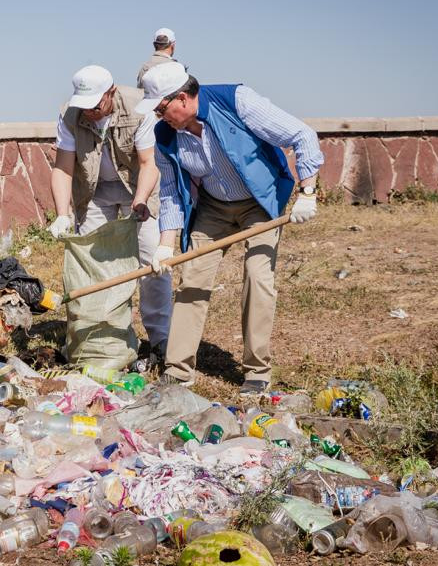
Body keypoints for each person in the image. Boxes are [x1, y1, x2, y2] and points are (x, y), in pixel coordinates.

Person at [136, 62, 323, 394]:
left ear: (181, 98)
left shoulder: (237, 101)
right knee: (192, 275)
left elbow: (302, 135)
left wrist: (308, 192)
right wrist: (165, 245)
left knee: (258, 275)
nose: (157, 116)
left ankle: (256, 371)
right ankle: (178, 370)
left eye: (161, 108)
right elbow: (171, 192)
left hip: (260, 203)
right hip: (213, 208)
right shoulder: (164, 135)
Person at [48, 65, 172, 362]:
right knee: (89, 261)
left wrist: (140, 201)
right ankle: (95, 337)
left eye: (96, 105)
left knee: (152, 260)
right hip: (94, 192)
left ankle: (161, 339)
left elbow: (147, 163)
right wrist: (62, 214)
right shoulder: (70, 114)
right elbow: (63, 167)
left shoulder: (137, 108)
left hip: (137, 187)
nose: (89, 112)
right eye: (84, 106)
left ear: (111, 92)